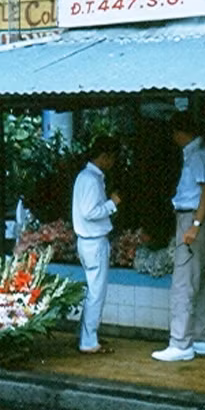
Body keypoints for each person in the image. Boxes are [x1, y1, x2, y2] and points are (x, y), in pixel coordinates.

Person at [152, 111, 205, 362]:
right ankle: (200, 339)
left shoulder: (198, 157)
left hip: (193, 217)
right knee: (200, 281)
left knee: (183, 281)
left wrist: (193, 225)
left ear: (180, 133)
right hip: (202, 219)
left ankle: (180, 343)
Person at [71, 135, 122, 355]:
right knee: (96, 293)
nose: (113, 164)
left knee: (93, 291)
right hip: (93, 241)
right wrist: (113, 204)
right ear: (104, 157)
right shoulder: (91, 179)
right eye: (112, 158)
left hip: (88, 241)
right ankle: (89, 341)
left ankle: (87, 336)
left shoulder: (87, 176)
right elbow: (90, 212)